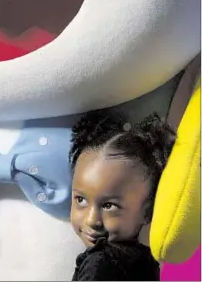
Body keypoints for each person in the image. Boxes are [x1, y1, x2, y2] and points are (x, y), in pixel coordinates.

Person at [69, 111, 176, 281]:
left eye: (109, 205)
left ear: (148, 211)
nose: (91, 220)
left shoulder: (101, 263)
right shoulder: (146, 262)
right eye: (80, 200)